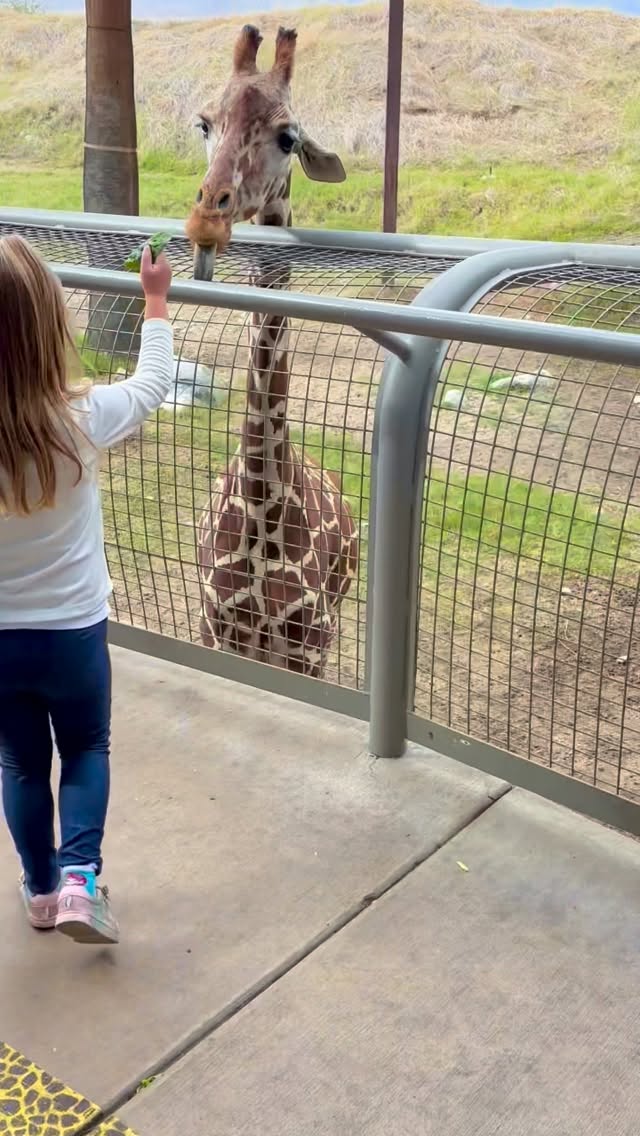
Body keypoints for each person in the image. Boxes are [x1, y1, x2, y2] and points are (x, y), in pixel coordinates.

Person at [0, 235, 175, 945]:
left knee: (19, 763)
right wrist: (155, 300)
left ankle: (41, 892)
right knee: (85, 750)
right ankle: (80, 881)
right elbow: (154, 382)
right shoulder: (84, 416)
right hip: (72, 635)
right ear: (51, 326)